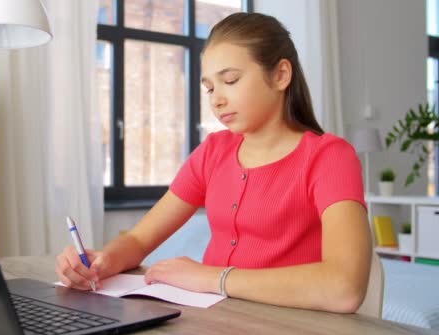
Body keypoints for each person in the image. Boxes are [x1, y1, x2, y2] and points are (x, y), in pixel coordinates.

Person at [56, 12, 371, 314]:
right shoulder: (213, 152)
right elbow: (139, 239)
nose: (216, 100)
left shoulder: (330, 157)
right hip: (213, 322)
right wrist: (104, 261)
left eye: (230, 80)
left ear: (280, 75)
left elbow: (343, 288)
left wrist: (212, 278)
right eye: (209, 88)